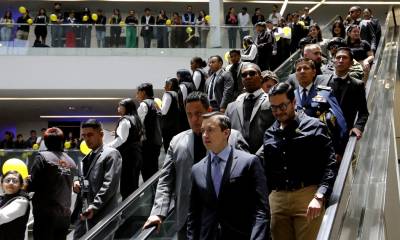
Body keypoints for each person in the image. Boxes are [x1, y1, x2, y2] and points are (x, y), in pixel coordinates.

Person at [143, 92, 249, 239]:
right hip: (188, 221)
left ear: (209, 112)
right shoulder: (177, 142)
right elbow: (166, 180)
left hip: (224, 221)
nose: (194, 119)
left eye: (199, 114)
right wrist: (157, 213)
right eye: (189, 114)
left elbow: (247, 178)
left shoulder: (232, 137)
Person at [264, 82, 337, 240]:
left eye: (282, 106)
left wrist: (320, 196)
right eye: (273, 107)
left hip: (307, 196)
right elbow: (267, 170)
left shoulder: (315, 126)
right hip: (278, 199)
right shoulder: (270, 133)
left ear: (294, 103)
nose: (278, 112)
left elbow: (330, 164)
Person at [187, 112, 269, 239]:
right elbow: (194, 214)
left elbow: (261, 210)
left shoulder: (249, 162)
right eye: (203, 130)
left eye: (210, 130)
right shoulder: (197, 169)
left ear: (226, 133)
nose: (205, 135)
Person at [72, 119, 122, 239]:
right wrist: (76, 183)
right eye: (84, 136)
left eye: (90, 135)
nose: (86, 139)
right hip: (84, 215)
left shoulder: (111, 154)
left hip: (103, 215)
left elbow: (109, 185)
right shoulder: (87, 157)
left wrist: (94, 206)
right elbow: (81, 178)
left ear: (101, 134)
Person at [28, 127, 77, 240]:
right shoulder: (71, 161)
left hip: (45, 214)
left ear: (45, 142)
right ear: (63, 141)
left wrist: (27, 181)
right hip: (64, 214)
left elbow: (33, 185)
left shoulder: (42, 157)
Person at [226, 63, 275, 154]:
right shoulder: (231, 107)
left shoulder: (272, 102)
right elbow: (226, 135)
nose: (248, 77)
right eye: (244, 75)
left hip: (264, 158)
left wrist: (258, 156)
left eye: (252, 73)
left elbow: (276, 132)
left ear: (261, 78)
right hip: (238, 161)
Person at [327, 47, 369, 140]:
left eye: (344, 58)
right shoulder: (321, 80)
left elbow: (363, 112)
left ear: (351, 63)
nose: (340, 60)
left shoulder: (357, 84)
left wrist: (358, 127)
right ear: (334, 61)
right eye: (338, 57)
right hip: (323, 135)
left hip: (345, 135)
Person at [108, 99, 143, 200]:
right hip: (137, 154)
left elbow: (122, 139)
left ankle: (127, 213)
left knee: (126, 186)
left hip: (128, 156)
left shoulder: (125, 120)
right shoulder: (136, 119)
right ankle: (134, 209)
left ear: (126, 107)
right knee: (133, 184)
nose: (118, 108)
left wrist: (108, 146)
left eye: (120, 106)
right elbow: (132, 135)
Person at [136, 83, 162, 181]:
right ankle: (155, 193)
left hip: (147, 143)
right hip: (157, 142)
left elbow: (138, 125)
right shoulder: (156, 104)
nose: (136, 95)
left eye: (138, 93)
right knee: (154, 171)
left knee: (146, 172)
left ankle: (152, 195)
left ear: (143, 92)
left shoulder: (144, 104)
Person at [0, 171, 30, 240]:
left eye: (15, 181)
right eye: (7, 180)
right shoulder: (3, 198)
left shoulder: (21, 201)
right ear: (1, 184)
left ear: (21, 185)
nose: (11, 183)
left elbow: (2, 217)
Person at [161, 78, 181, 152]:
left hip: (167, 127)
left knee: (168, 150)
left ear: (170, 85)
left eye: (165, 84)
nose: (164, 87)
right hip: (175, 126)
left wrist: (157, 107)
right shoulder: (176, 94)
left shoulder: (167, 94)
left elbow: (163, 111)